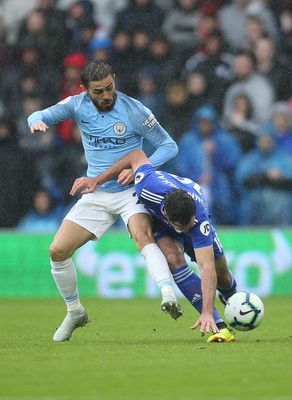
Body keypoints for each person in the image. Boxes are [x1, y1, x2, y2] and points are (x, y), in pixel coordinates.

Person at [27, 60, 183, 342]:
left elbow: (169, 145)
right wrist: (35, 121)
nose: (107, 95)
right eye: (99, 91)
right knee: (57, 251)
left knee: (142, 236)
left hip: (130, 191)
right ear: (84, 89)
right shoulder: (76, 105)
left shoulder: (135, 110)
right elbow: (39, 114)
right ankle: (75, 311)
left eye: (110, 88)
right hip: (96, 192)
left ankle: (168, 294)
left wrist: (139, 168)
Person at [70, 150, 238, 342]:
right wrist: (98, 179)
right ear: (165, 213)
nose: (187, 229)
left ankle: (232, 299)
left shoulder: (198, 221)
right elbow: (136, 155)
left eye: (189, 224)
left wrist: (190, 226)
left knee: (222, 275)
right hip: (161, 226)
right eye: (183, 227)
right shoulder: (147, 185)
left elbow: (206, 268)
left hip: (191, 215)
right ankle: (219, 325)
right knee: (172, 257)